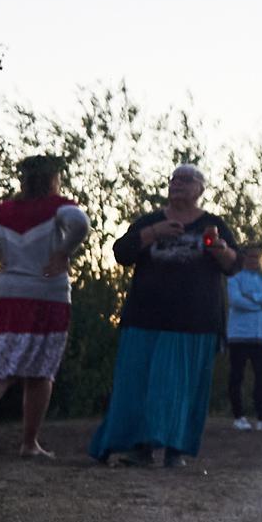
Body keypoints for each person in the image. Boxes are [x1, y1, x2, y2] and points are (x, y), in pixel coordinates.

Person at [88, 164, 239, 468]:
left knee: (181, 389)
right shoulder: (151, 221)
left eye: (186, 180)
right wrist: (154, 233)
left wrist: (220, 249)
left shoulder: (213, 223)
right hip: (145, 317)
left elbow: (234, 265)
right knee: (137, 386)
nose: (178, 184)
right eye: (174, 179)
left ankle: (175, 450)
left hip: (194, 321)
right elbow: (122, 253)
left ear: (200, 189)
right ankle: (138, 448)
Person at [0, 156, 90, 459]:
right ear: (54, 178)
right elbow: (81, 223)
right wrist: (64, 251)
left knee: (0, 358)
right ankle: (29, 443)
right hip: (47, 293)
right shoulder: (59, 206)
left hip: (6, 293)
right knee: (41, 369)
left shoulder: (4, 210)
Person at [226, 243, 262, 431]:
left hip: (261, 336)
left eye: (257, 257)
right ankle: (238, 416)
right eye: (251, 256)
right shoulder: (235, 280)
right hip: (239, 335)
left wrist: (253, 297)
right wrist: (259, 303)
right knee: (237, 376)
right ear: (244, 258)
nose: (254, 260)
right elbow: (235, 300)